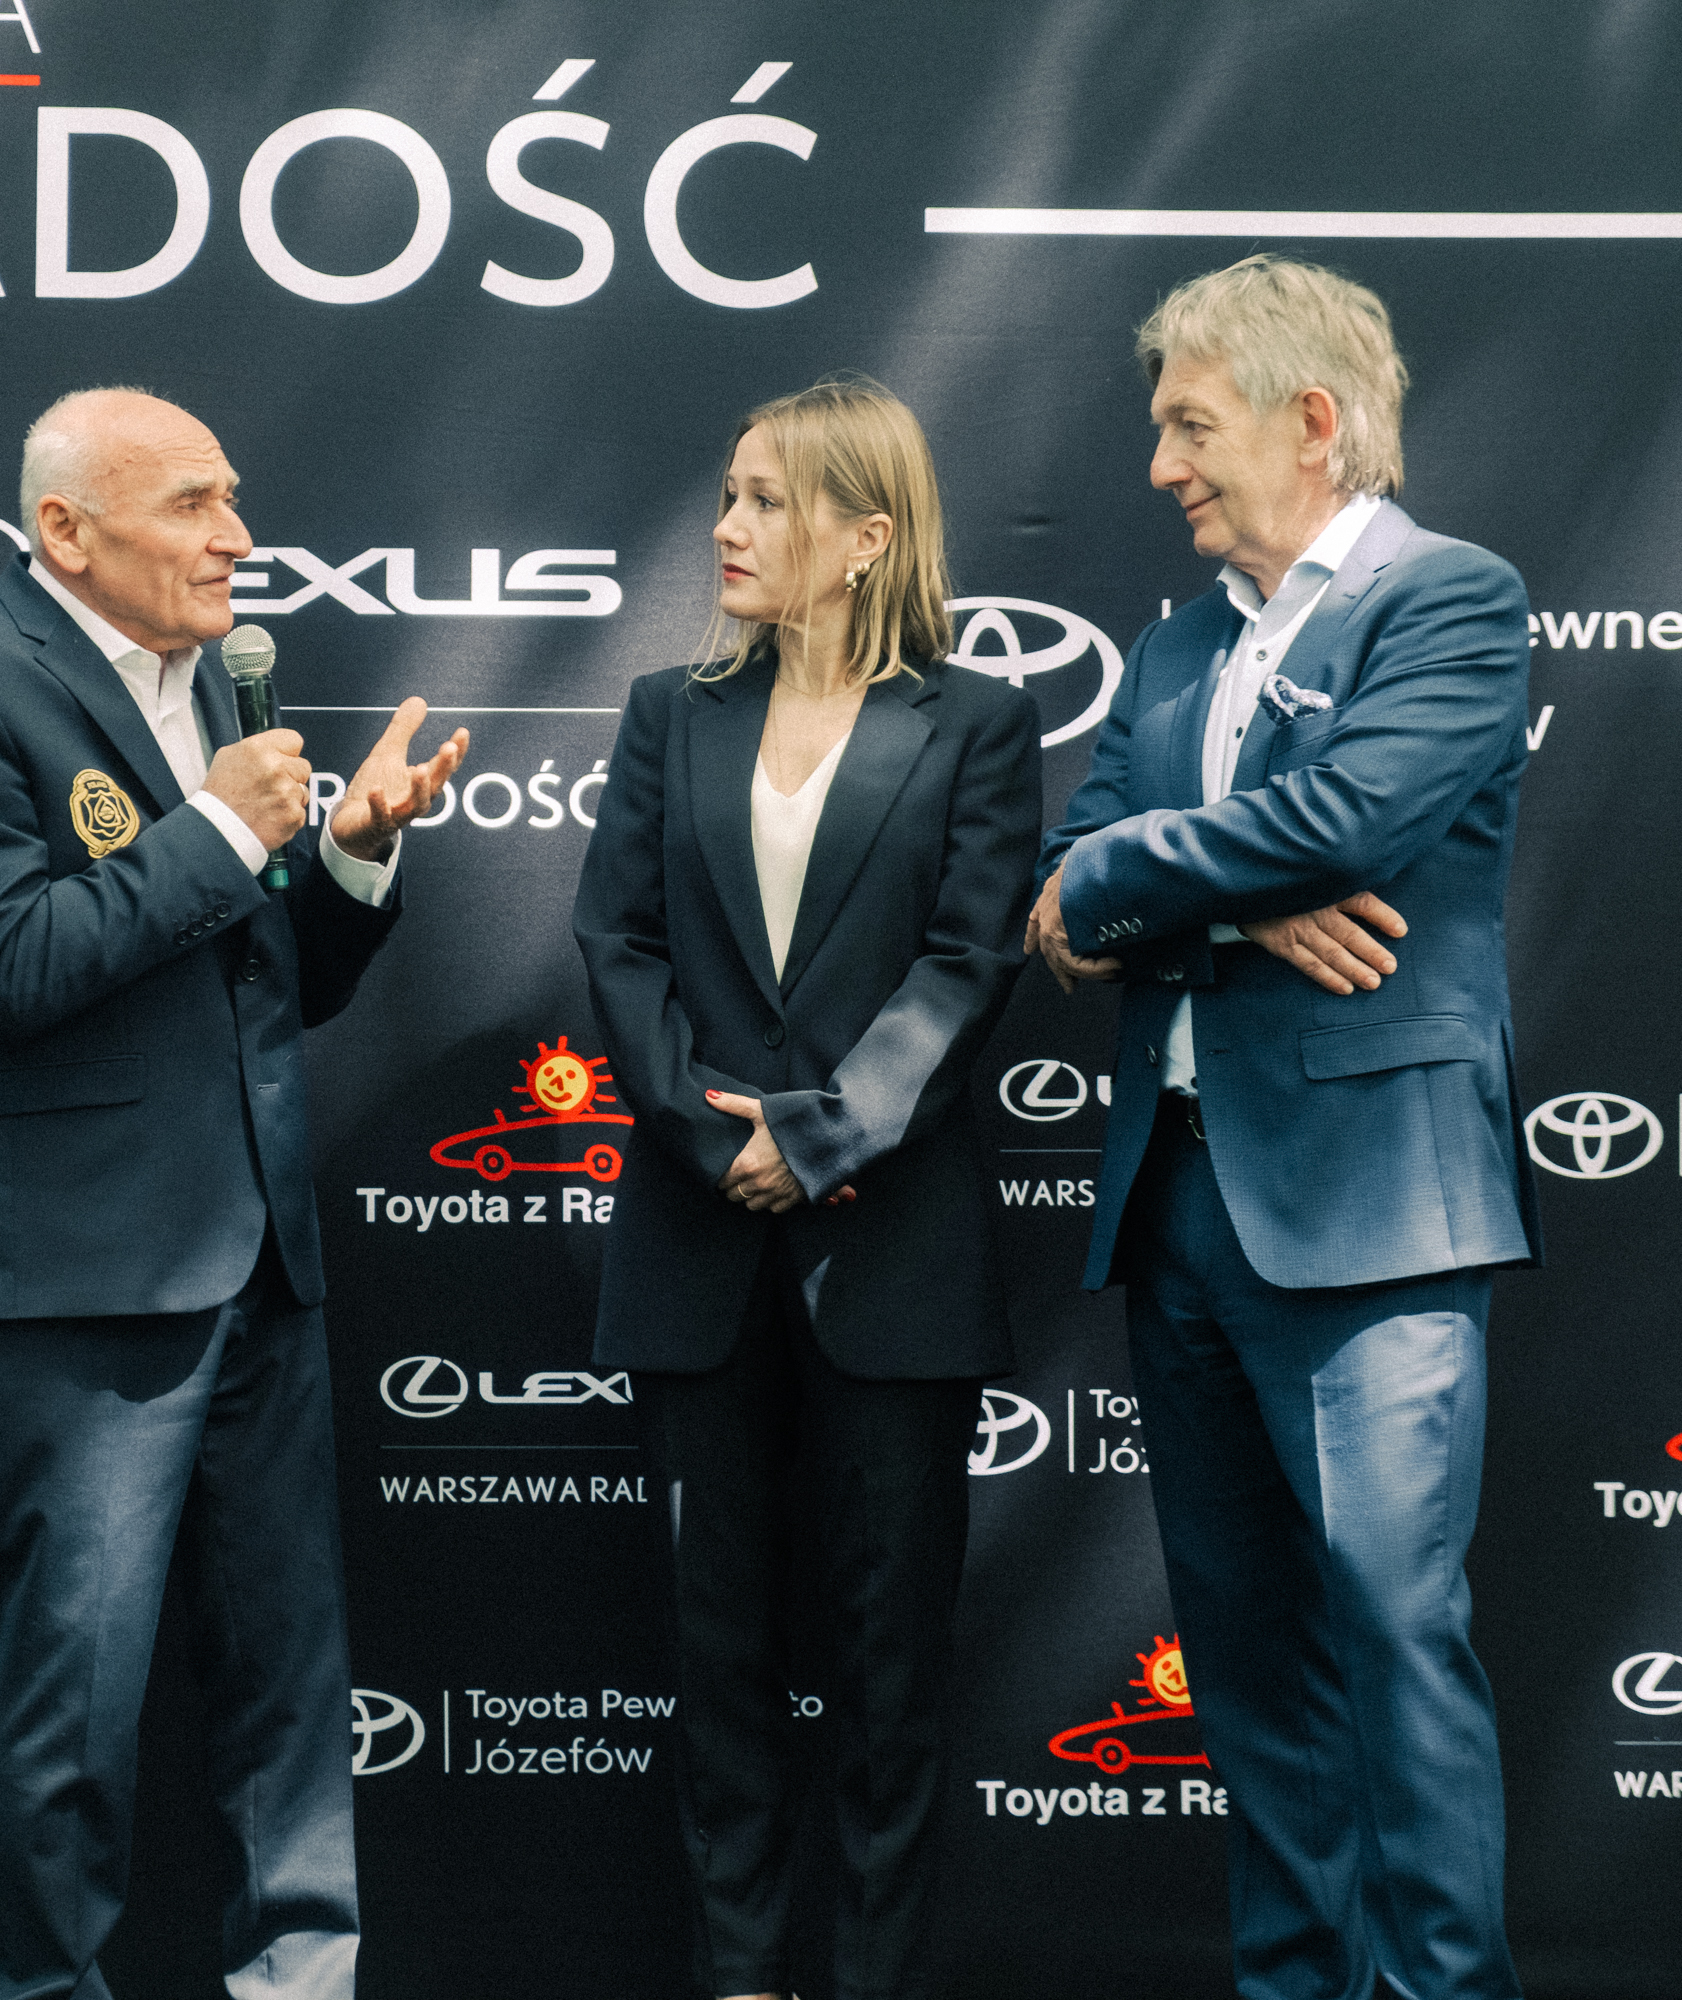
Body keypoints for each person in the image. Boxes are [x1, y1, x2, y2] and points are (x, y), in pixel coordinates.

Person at [0, 386, 466, 2000]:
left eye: (233, 500)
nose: (237, 539)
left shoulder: (212, 684)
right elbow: (11, 966)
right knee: (69, 1715)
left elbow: (268, 982)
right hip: (80, 1284)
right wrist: (218, 829)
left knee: (291, 1701)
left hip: (261, 1264)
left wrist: (348, 854)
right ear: (67, 531)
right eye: (194, 505)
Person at [1028, 256, 1539, 2000]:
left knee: (1394, 1648)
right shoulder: (1177, 643)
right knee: (1250, 1669)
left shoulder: (1448, 597)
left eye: (1191, 425)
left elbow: (1351, 821)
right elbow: (1057, 899)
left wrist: (1146, 880)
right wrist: (1230, 900)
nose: (1160, 465)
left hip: (1372, 1211)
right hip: (1179, 1210)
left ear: (1311, 421)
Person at [573, 378, 1041, 2000]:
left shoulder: (976, 725)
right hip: (695, 1246)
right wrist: (717, 1141)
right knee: (716, 1665)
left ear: (866, 537)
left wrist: (829, 1135)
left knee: (893, 1676)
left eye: (765, 500)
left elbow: (970, 963)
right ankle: (746, 1981)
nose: (726, 526)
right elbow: (617, 943)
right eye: (729, 493)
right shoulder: (667, 713)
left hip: (892, 1260)